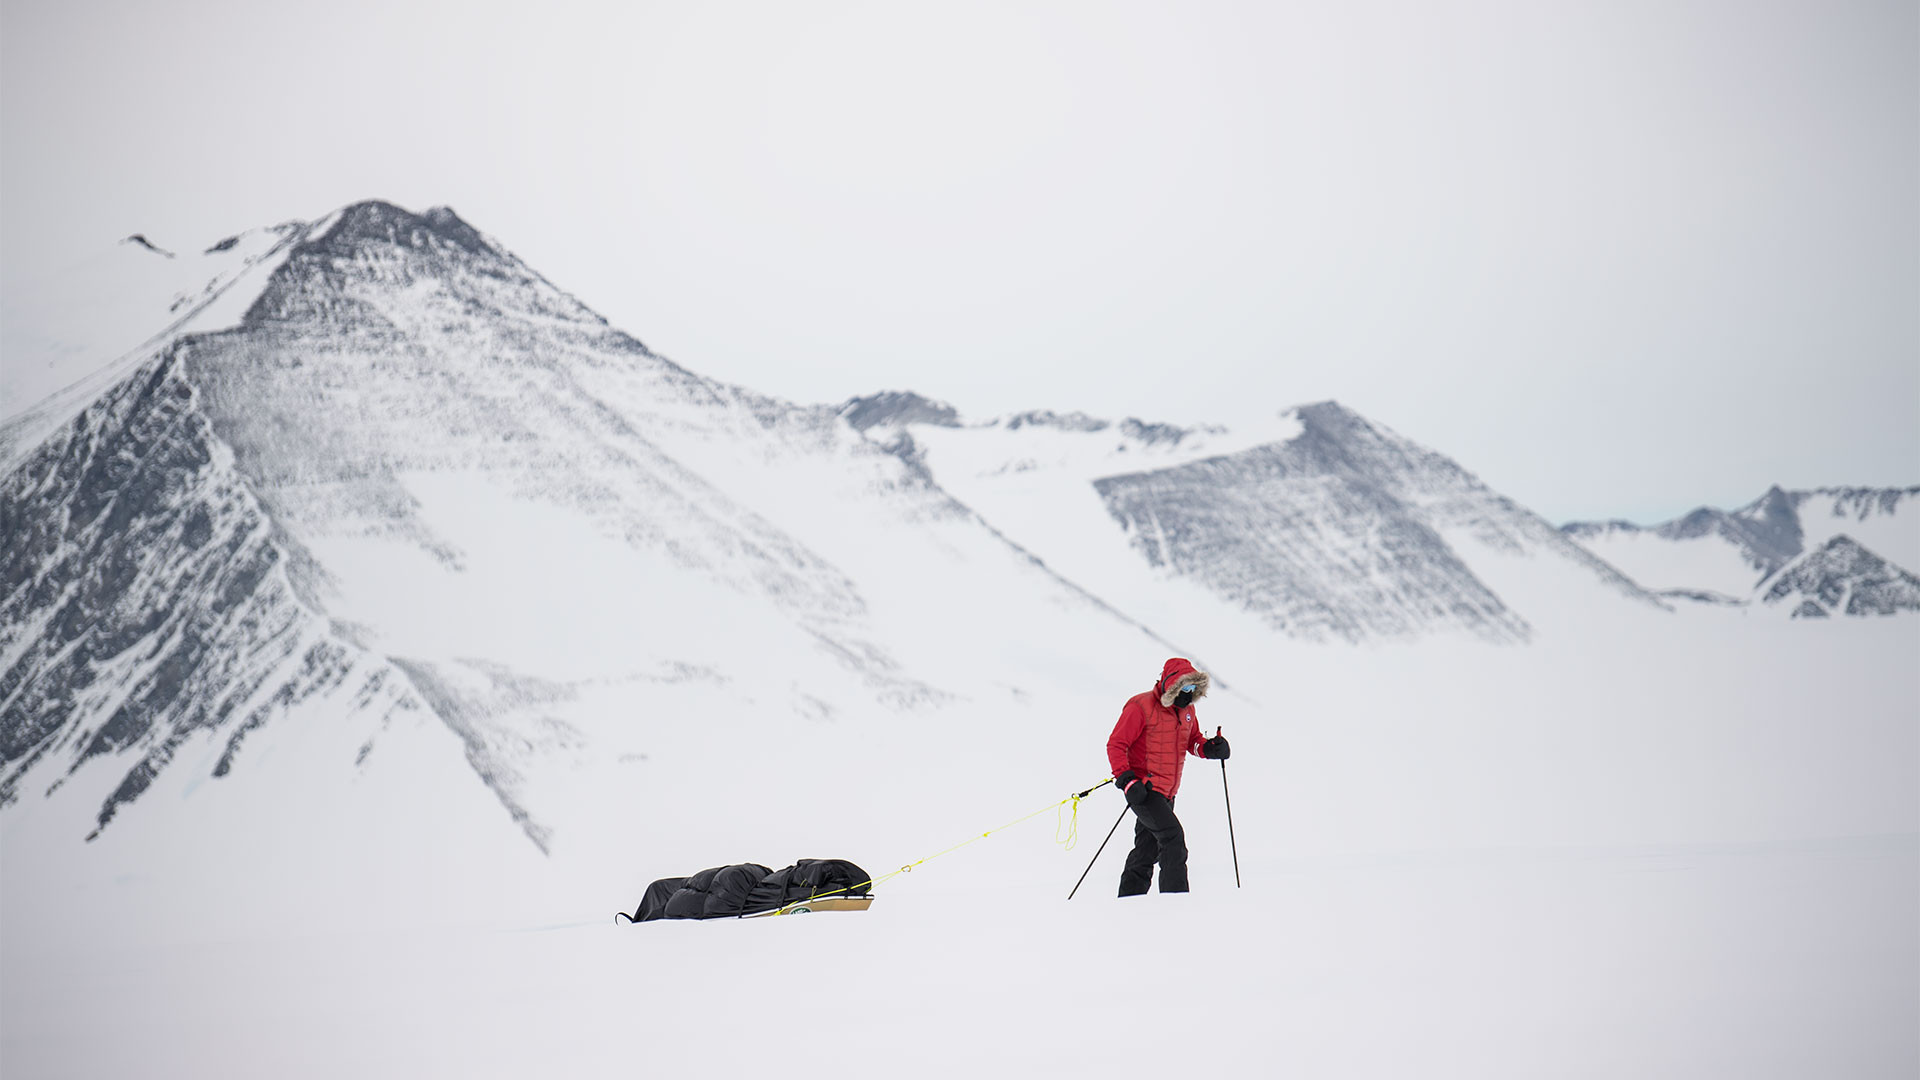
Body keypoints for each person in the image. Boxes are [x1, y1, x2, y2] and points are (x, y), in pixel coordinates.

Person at [1106, 657, 1230, 896]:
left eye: (1194, 688)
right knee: (1173, 840)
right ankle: (1176, 904)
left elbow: (1192, 741)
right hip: (1144, 790)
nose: (1190, 693)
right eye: (1185, 687)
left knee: (1146, 850)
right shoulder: (1140, 706)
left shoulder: (1187, 711)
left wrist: (1210, 748)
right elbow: (1116, 744)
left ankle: (1128, 902)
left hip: (1168, 793)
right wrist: (1128, 781)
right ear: (1171, 685)